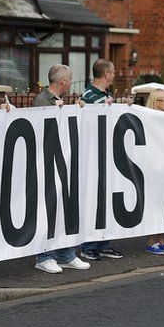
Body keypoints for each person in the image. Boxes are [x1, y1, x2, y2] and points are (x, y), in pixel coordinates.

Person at [32, 65, 91, 273]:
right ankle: (44, 256)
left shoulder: (59, 101)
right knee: (49, 211)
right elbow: (40, 130)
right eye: (70, 78)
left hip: (62, 162)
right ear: (63, 81)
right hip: (47, 163)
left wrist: (76, 111)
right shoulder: (42, 100)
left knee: (65, 209)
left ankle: (65, 254)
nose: (71, 82)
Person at [79, 59, 123, 261]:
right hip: (93, 157)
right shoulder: (89, 96)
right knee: (93, 201)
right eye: (113, 72)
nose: (114, 75)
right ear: (106, 74)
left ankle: (103, 243)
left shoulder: (106, 96)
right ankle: (88, 245)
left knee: (106, 201)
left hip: (107, 155)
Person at [143, 89, 164, 256]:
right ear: (156, 102)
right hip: (153, 167)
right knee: (154, 204)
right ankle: (151, 241)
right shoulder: (148, 119)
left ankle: (162, 240)